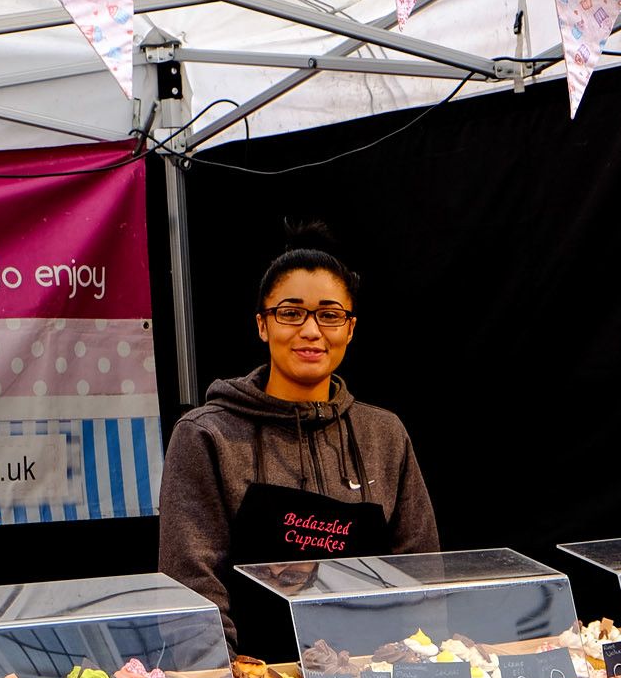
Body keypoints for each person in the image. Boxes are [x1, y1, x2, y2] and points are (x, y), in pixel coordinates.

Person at [158, 226, 439, 613]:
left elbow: (418, 573)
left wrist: (417, 661)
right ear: (262, 324)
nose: (311, 331)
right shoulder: (207, 436)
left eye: (329, 315)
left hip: (371, 667)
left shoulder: (384, 434)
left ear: (350, 328)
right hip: (258, 669)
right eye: (290, 313)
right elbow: (193, 586)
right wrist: (234, 674)